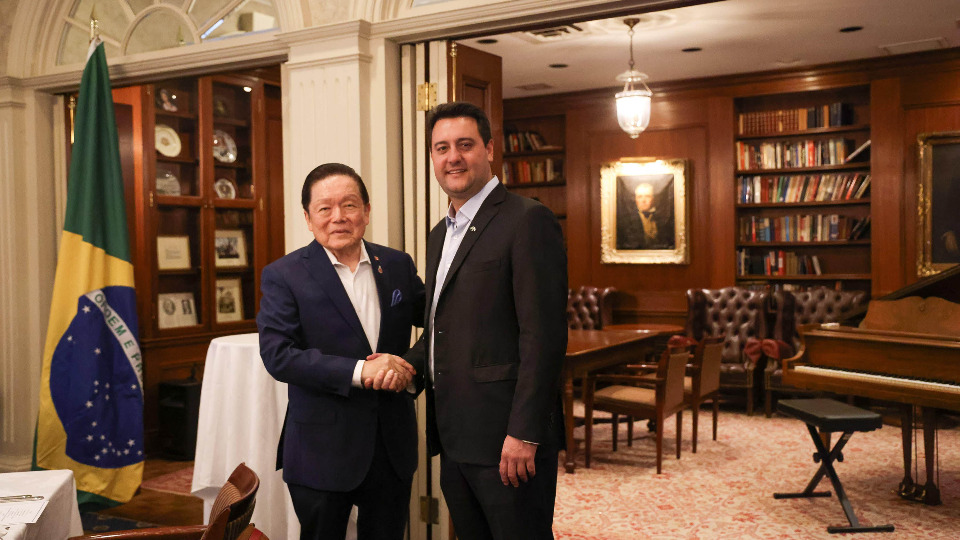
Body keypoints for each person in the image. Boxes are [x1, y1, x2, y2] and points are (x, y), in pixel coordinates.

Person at [391, 102, 568, 539]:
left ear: (489, 149)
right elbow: (443, 326)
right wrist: (406, 365)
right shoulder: (440, 234)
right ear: (432, 157)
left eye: (465, 145)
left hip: (509, 442)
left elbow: (543, 338)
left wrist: (525, 433)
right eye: (442, 148)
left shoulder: (528, 219)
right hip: (455, 437)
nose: (453, 157)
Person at [257, 163, 425, 540]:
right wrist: (360, 371)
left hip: (391, 445)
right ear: (308, 218)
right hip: (321, 450)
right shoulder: (284, 275)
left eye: (349, 205)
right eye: (324, 208)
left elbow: (442, 321)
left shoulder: (396, 265)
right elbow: (279, 355)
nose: (338, 217)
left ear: (366, 211)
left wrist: (409, 366)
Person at [616, 181, 674, 250]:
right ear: (635, 199)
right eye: (640, 197)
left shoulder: (663, 220)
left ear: (653, 199)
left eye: (647, 196)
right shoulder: (627, 222)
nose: (643, 200)